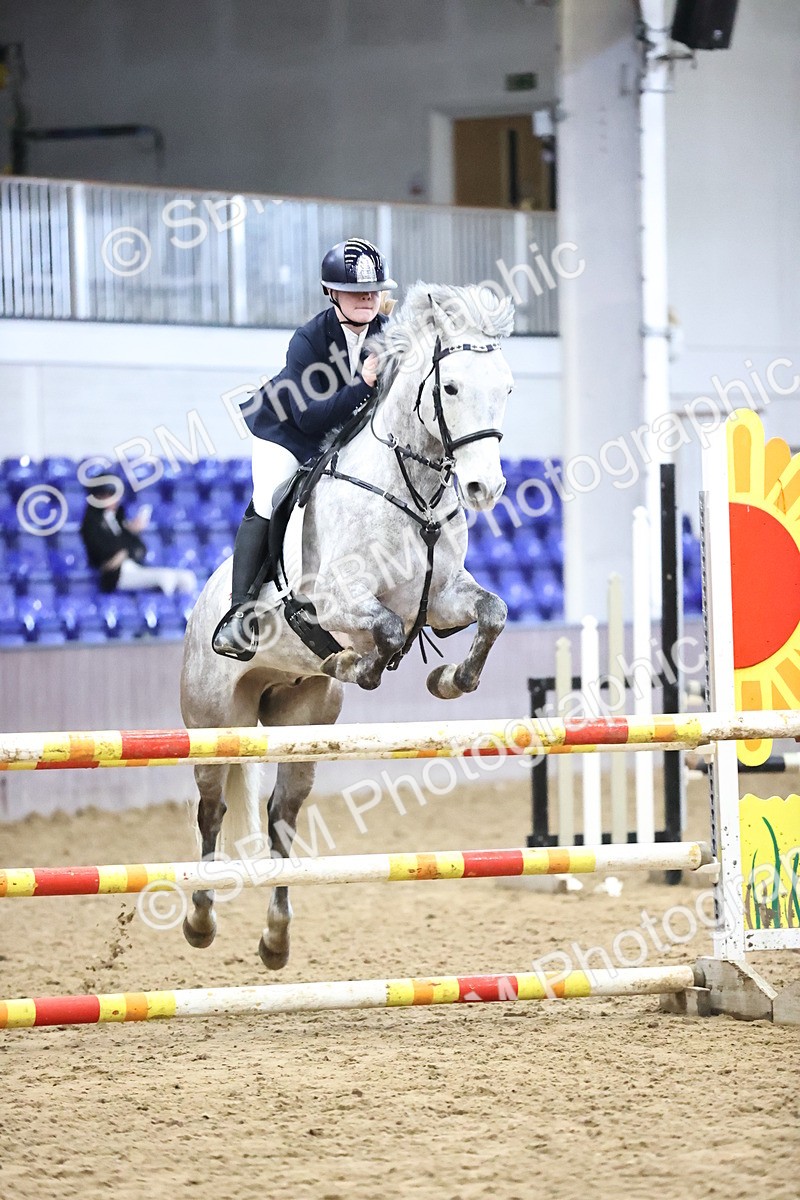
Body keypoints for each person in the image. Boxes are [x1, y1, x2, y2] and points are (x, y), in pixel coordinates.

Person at [212, 237, 397, 660]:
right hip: (287, 429)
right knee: (270, 496)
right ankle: (240, 613)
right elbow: (313, 418)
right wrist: (364, 382)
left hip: (346, 434)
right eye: (355, 291)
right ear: (332, 292)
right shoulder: (308, 340)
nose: (367, 297)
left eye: (373, 289)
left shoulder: (389, 334)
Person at [80, 482, 196, 596]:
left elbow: (131, 547)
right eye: (109, 495)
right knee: (166, 577)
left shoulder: (117, 518)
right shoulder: (91, 524)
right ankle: (168, 606)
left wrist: (132, 531)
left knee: (187, 577)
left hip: (132, 565)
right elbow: (104, 554)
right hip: (115, 574)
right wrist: (122, 551)